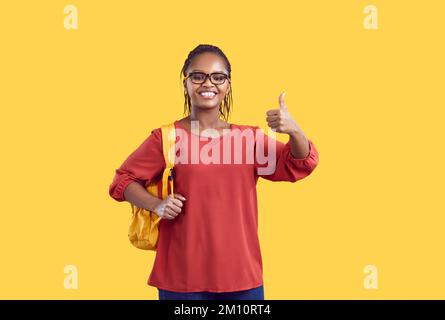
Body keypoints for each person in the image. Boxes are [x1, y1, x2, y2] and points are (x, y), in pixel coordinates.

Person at [109, 44, 319, 300]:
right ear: (185, 83)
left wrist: (295, 131)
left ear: (228, 85)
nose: (208, 83)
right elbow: (122, 180)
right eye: (198, 76)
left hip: (242, 277)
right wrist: (156, 205)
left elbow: (298, 163)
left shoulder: (248, 139)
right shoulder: (166, 138)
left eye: (218, 77)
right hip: (181, 279)